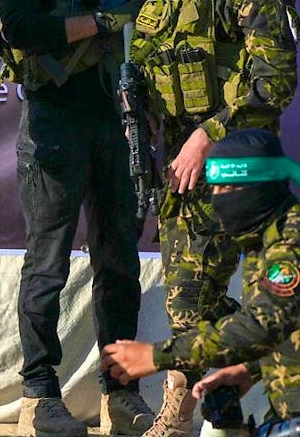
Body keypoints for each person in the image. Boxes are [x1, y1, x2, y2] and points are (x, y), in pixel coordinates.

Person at [122, 0, 299, 436]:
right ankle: (219, 406)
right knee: (187, 297)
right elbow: (155, 55)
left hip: (233, 165)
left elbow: (277, 81)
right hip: (175, 159)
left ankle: (191, 410)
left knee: (228, 295)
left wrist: (208, 134)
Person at [0, 0, 153, 434]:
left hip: (117, 115)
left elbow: (151, 5)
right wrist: (99, 21)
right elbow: (19, 28)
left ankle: (122, 392)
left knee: (118, 261)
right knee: (48, 264)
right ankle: (39, 395)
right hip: (52, 119)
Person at [101, 129, 300, 430]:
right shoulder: (266, 239)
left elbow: (263, 323)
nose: (217, 200)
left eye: (226, 189)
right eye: (213, 188)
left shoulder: (290, 244)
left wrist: (157, 356)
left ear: (256, 187)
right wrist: (249, 369)